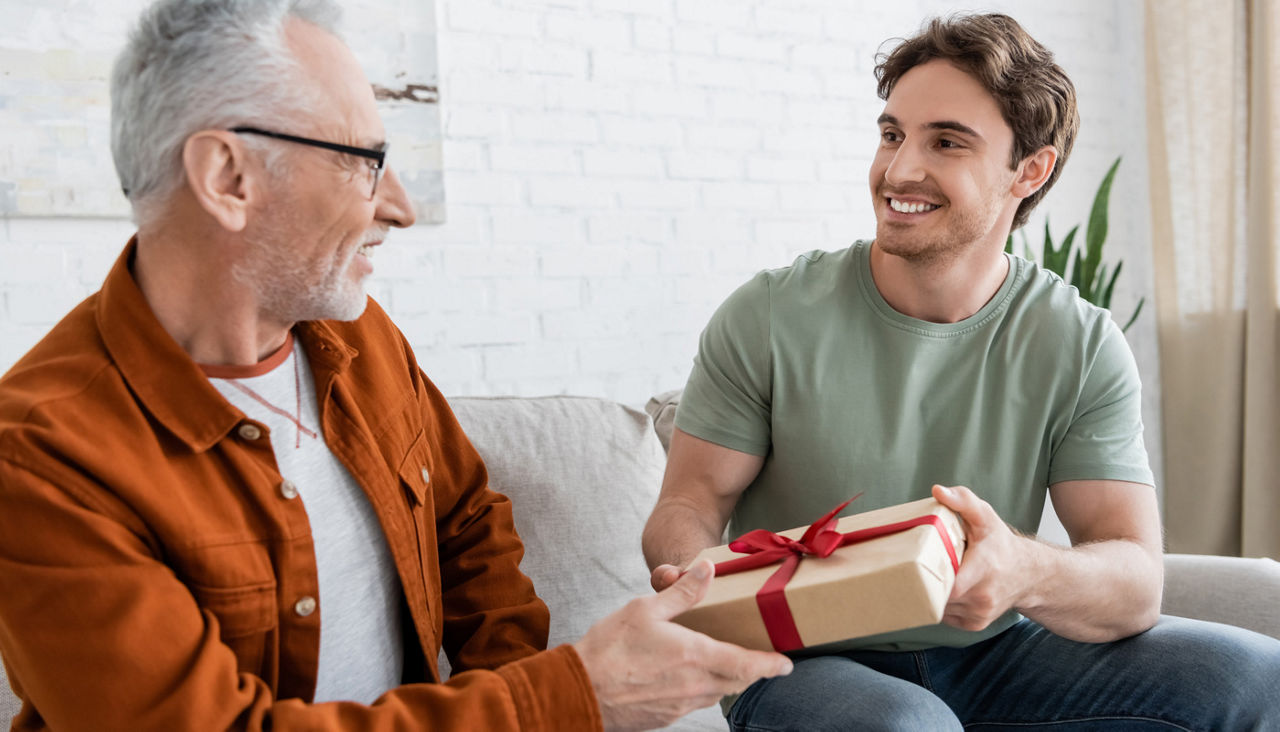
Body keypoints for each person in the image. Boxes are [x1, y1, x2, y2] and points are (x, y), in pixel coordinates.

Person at [0, 1, 793, 730]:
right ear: (228, 178)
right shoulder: (40, 453)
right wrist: (568, 697)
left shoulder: (358, 336)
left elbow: (467, 522)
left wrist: (520, 692)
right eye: (364, 160)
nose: (401, 204)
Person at [642, 13, 1280, 731]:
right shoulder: (767, 314)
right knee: (903, 724)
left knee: (1256, 677)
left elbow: (1135, 582)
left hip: (996, 651)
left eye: (945, 141)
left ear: (1029, 170)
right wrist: (697, 580)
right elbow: (687, 505)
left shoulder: (1079, 341)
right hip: (805, 661)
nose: (898, 170)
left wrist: (1026, 571)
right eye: (892, 135)